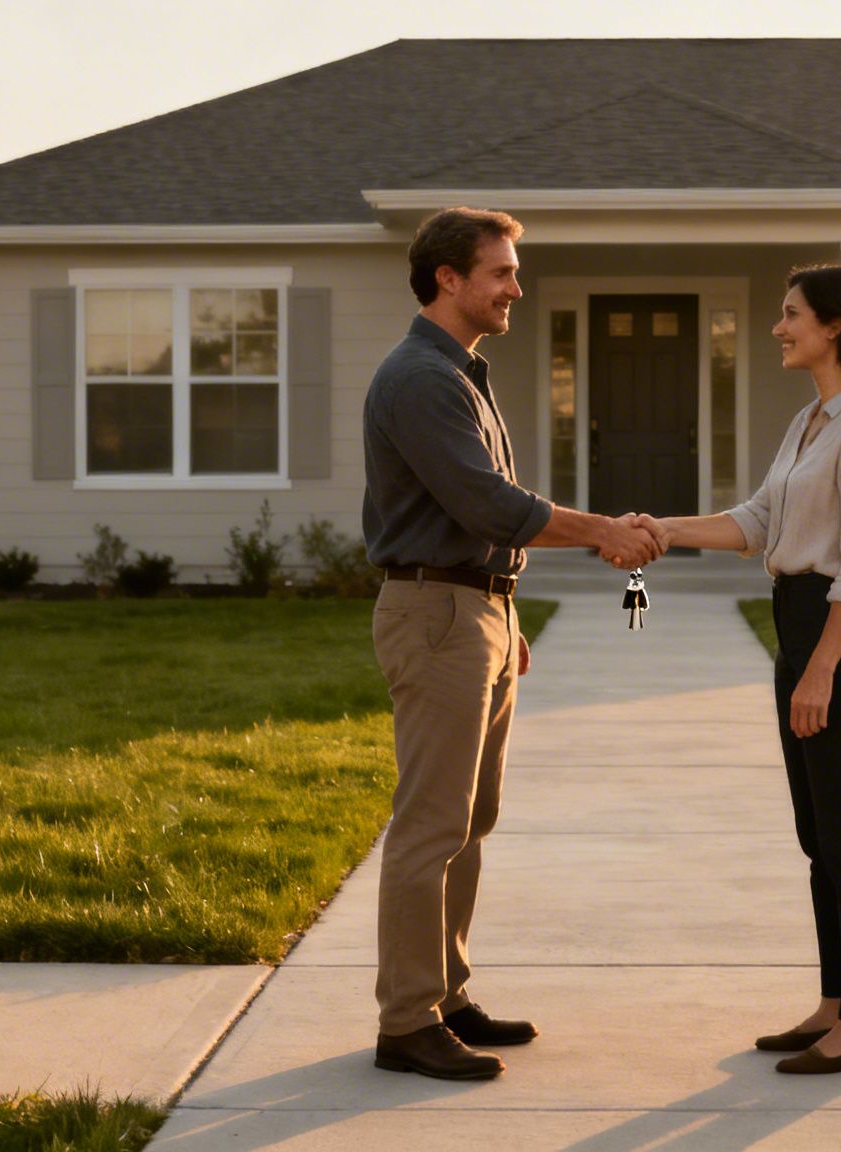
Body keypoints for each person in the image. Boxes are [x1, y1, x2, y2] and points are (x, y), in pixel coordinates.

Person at [362, 206, 665, 1080]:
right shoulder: (421, 378)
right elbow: (490, 504)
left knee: (472, 818)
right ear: (447, 279)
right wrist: (606, 531)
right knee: (432, 824)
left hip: (477, 613)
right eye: (499, 271)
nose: (515, 287)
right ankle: (406, 1021)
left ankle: (447, 994)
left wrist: (506, 612)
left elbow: (492, 513)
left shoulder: (460, 373)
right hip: (438, 616)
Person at [645, 264, 841, 1075]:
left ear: (834, 325)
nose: (778, 327)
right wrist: (659, 528)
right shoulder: (814, 420)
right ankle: (836, 1003)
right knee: (818, 835)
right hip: (800, 628)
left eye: (791, 315)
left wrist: (820, 668)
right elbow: (757, 522)